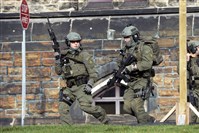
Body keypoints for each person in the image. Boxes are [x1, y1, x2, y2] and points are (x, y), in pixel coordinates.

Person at [54, 32, 109, 125]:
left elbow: (93, 72)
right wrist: (57, 60)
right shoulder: (63, 55)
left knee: (86, 107)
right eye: (73, 42)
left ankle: (104, 118)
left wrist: (90, 84)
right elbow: (58, 71)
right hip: (69, 88)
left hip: (81, 86)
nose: (76, 43)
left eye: (77, 41)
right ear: (68, 43)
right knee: (62, 107)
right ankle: (67, 129)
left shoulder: (84, 55)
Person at [118, 25, 156, 124]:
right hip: (131, 81)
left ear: (134, 36)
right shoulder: (124, 50)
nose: (125, 40)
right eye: (124, 38)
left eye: (127, 37)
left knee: (136, 104)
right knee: (127, 107)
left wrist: (133, 67)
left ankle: (143, 126)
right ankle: (148, 119)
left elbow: (147, 64)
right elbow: (120, 63)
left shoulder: (144, 48)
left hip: (142, 79)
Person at [186, 40, 199, 124]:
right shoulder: (189, 60)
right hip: (193, 88)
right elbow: (181, 72)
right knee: (193, 109)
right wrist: (186, 61)